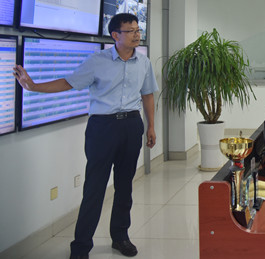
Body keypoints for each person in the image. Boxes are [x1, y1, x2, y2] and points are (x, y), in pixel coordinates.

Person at [13, 13, 158, 259]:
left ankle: (120, 237)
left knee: (125, 186)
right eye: (131, 31)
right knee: (94, 188)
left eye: (138, 30)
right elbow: (69, 82)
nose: (137, 35)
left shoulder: (143, 62)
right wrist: (34, 86)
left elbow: (147, 94)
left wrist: (151, 125)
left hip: (132, 125)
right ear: (115, 35)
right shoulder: (97, 61)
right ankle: (81, 247)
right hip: (102, 128)